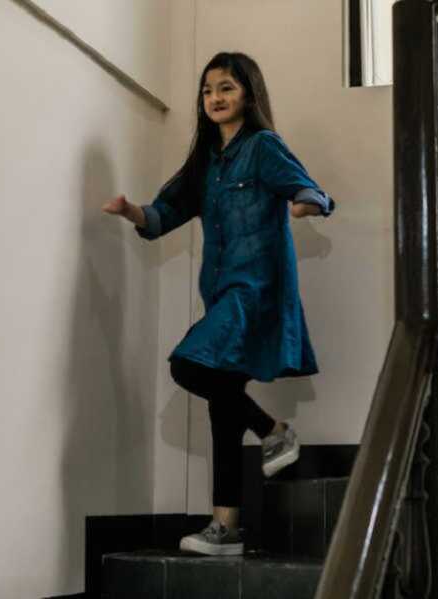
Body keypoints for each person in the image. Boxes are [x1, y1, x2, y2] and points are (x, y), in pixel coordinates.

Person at [101, 51, 335, 556]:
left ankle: (274, 431)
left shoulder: (264, 146)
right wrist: (130, 212)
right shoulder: (204, 161)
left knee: (187, 366)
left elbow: (310, 188)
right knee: (221, 410)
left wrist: (304, 202)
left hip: (256, 289)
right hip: (222, 292)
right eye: (208, 90)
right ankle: (225, 527)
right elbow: (164, 214)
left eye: (226, 88)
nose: (215, 98)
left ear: (248, 95)